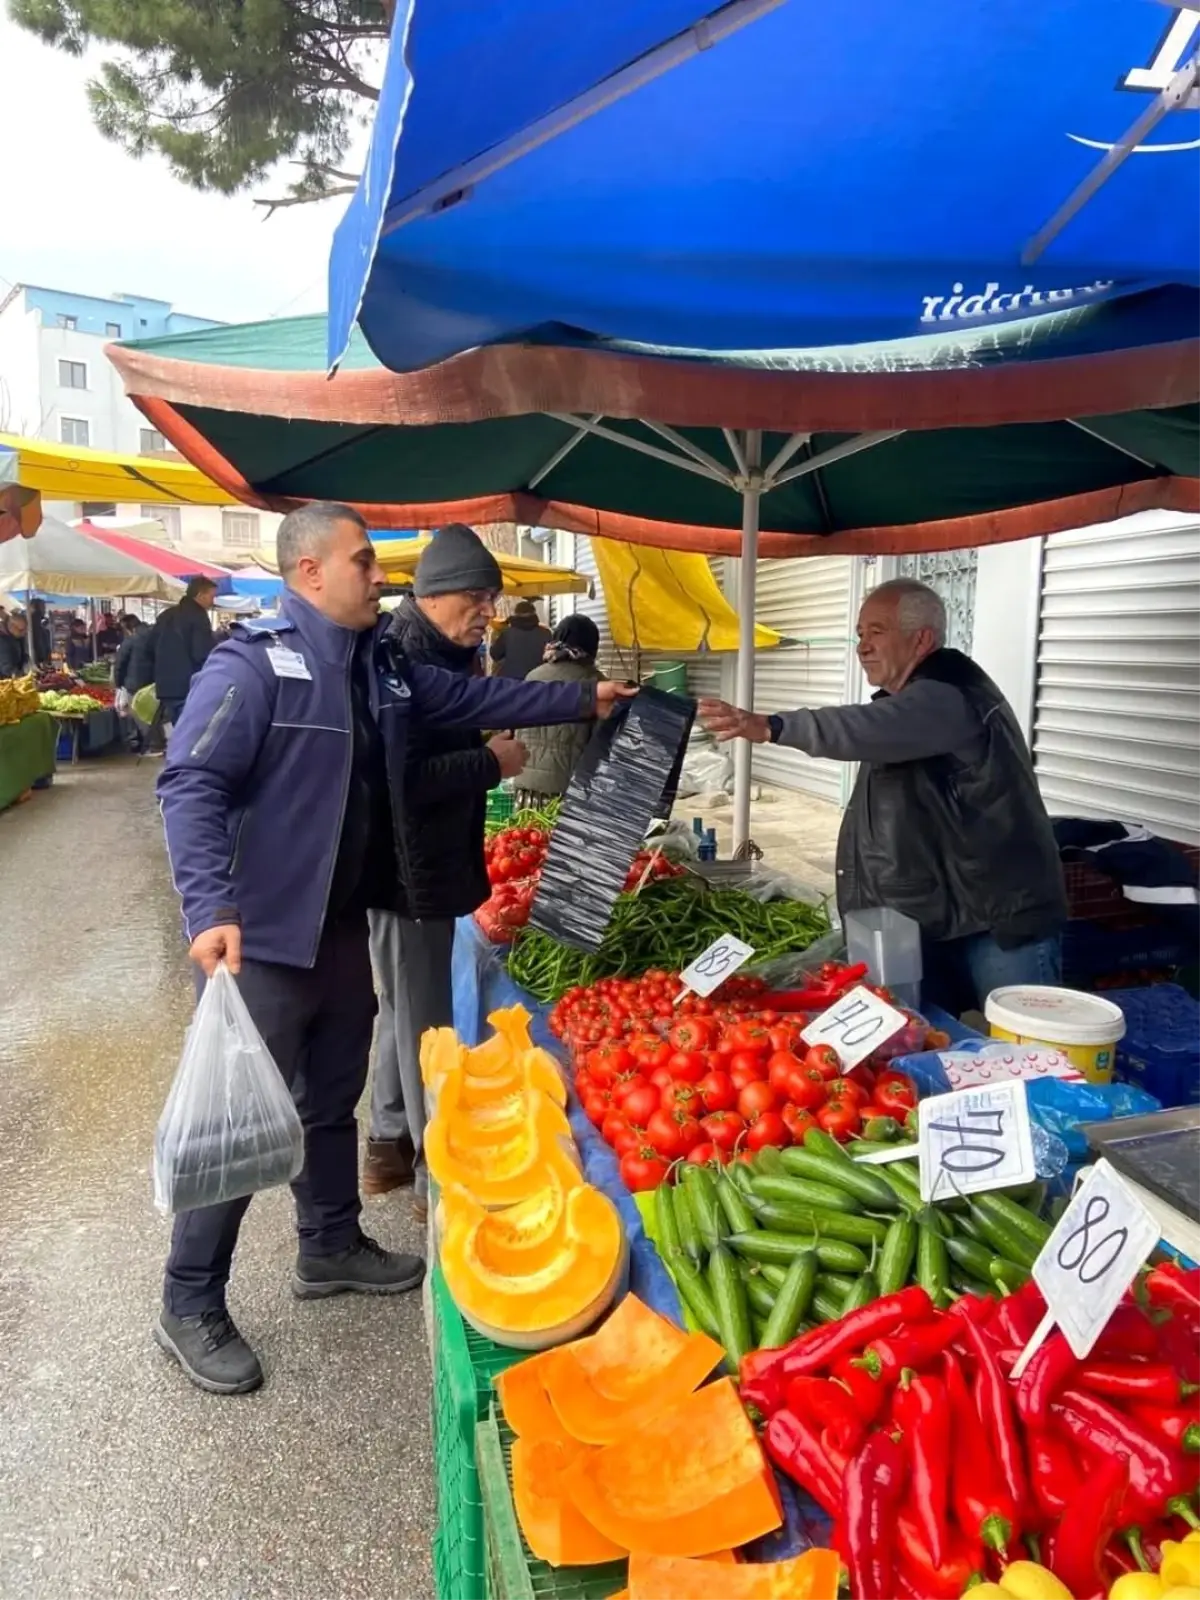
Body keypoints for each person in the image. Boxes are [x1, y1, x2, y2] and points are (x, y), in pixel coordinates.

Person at [155, 501, 633, 1395]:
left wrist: (580, 695)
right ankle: (189, 1300)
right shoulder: (251, 668)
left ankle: (329, 1243)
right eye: (365, 562)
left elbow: (473, 696)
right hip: (259, 936)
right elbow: (188, 783)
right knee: (237, 1123)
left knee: (330, 1097)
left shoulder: (377, 665)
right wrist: (209, 907)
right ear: (309, 574)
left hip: (339, 925)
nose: (382, 578)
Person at [699, 578, 1067, 1016]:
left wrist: (772, 726)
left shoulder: (948, 695)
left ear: (922, 639)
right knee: (939, 1040)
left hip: (1001, 915)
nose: (862, 647)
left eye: (877, 632)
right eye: (859, 634)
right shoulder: (915, 699)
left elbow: (863, 727)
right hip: (950, 913)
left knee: (1032, 1048)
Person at [363, 525, 528, 1212]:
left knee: (403, 1008)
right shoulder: (400, 656)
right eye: (477, 597)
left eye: (491, 597)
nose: (488, 611)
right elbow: (401, 777)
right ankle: (439, 1169)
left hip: (421, 865)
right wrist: (493, 762)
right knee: (426, 1022)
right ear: (432, 595)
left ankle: (386, 1143)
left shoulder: (438, 652)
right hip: (408, 871)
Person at [511, 614, 604, 806]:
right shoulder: (597, 685)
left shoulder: (532, 677)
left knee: (526, 835)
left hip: (525, 787)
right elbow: (602, 745)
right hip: (567, 793)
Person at [151, 576, 218, 733]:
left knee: (177, 727)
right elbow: (201, 653)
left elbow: (150, 646)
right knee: (189, 731)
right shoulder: (198, 617)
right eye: (211, 596)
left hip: (165, 683)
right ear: (200, 595)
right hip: (188, 684)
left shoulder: (166, 615)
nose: (212, 601)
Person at [113, 615, 154, 752]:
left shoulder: (131, 640)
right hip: (152, 682)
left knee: (136, 715)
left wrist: (118, 684)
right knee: (150, 713)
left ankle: (145, 744)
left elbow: (120, 664)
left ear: (128, 628)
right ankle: (151, 743)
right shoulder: (153, 635)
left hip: (134, 683)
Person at [490, 598, 552, 680]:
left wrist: (494, 638)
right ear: (534, 614)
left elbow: (495, 654)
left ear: (515, 614)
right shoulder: (546, 633)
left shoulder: (507, 633)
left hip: (512, 683)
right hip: (537, 683)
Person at [0, 613, 28, 678]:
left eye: (26, 630)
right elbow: (6, 668)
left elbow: (23, 656)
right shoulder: (2, 641)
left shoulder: (18, 637)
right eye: (21, 630)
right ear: (12, 627)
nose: (24, 633)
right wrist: (21, 676)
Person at [27, 598, 52, 665]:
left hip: (40, 658)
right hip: (38, 658)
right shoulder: (34, 619)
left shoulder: (37, 620)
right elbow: (37, 642)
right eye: (43, 607)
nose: (45, 610)